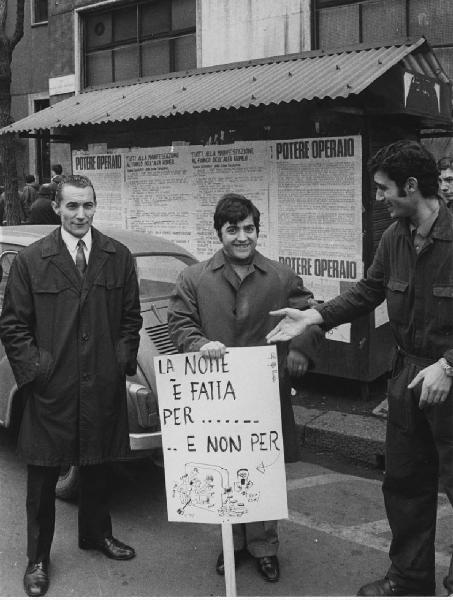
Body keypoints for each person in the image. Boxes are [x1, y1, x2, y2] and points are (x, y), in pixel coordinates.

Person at [266, 140, 453, 597]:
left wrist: (449, 365)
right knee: (405, 485)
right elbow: (369, 290)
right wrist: (314, 316)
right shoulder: (394, 237)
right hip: (406, 377)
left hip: (449, 381)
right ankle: (409, 580)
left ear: (411, 186)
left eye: (384, 188)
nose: (380, 197)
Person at [167, 193, 322, 584]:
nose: (241, 237)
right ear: (219, 232)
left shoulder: (282, 276)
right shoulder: (194, 278)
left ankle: (264, 546)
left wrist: (300, 349)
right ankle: (232, 543)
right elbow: (180, 323)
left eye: (248, 229)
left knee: (262, 468)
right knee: (223, 467)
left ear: (258, 229)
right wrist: (200, 345)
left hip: (265, 393)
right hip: (216, 394)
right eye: (232, 230)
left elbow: (310, 316)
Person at [0, 174, 142, 597]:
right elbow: (13, 324)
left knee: (98, 463)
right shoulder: (32, 260)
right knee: (43, 476)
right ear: (57, 208)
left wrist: (119, 362)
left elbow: (130, 319)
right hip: (51, 387)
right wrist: (36, 371)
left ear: (96, 207)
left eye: (89, 206)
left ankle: (96, 534)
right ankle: (37, 559)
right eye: (73, 206)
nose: (81, 215)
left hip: (100, 382)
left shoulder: (117, 256)